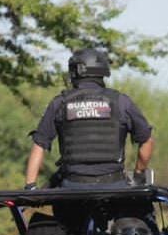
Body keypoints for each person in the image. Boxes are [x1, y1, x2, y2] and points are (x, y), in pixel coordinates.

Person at [24, 48, 155, 190]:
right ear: (103, 72)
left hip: (71, 190)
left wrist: (30, 187)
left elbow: (39, 145)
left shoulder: (60, 103)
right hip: (114, 188)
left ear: (75, 72)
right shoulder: (121, 102)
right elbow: (147, 142)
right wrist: (138, 174)